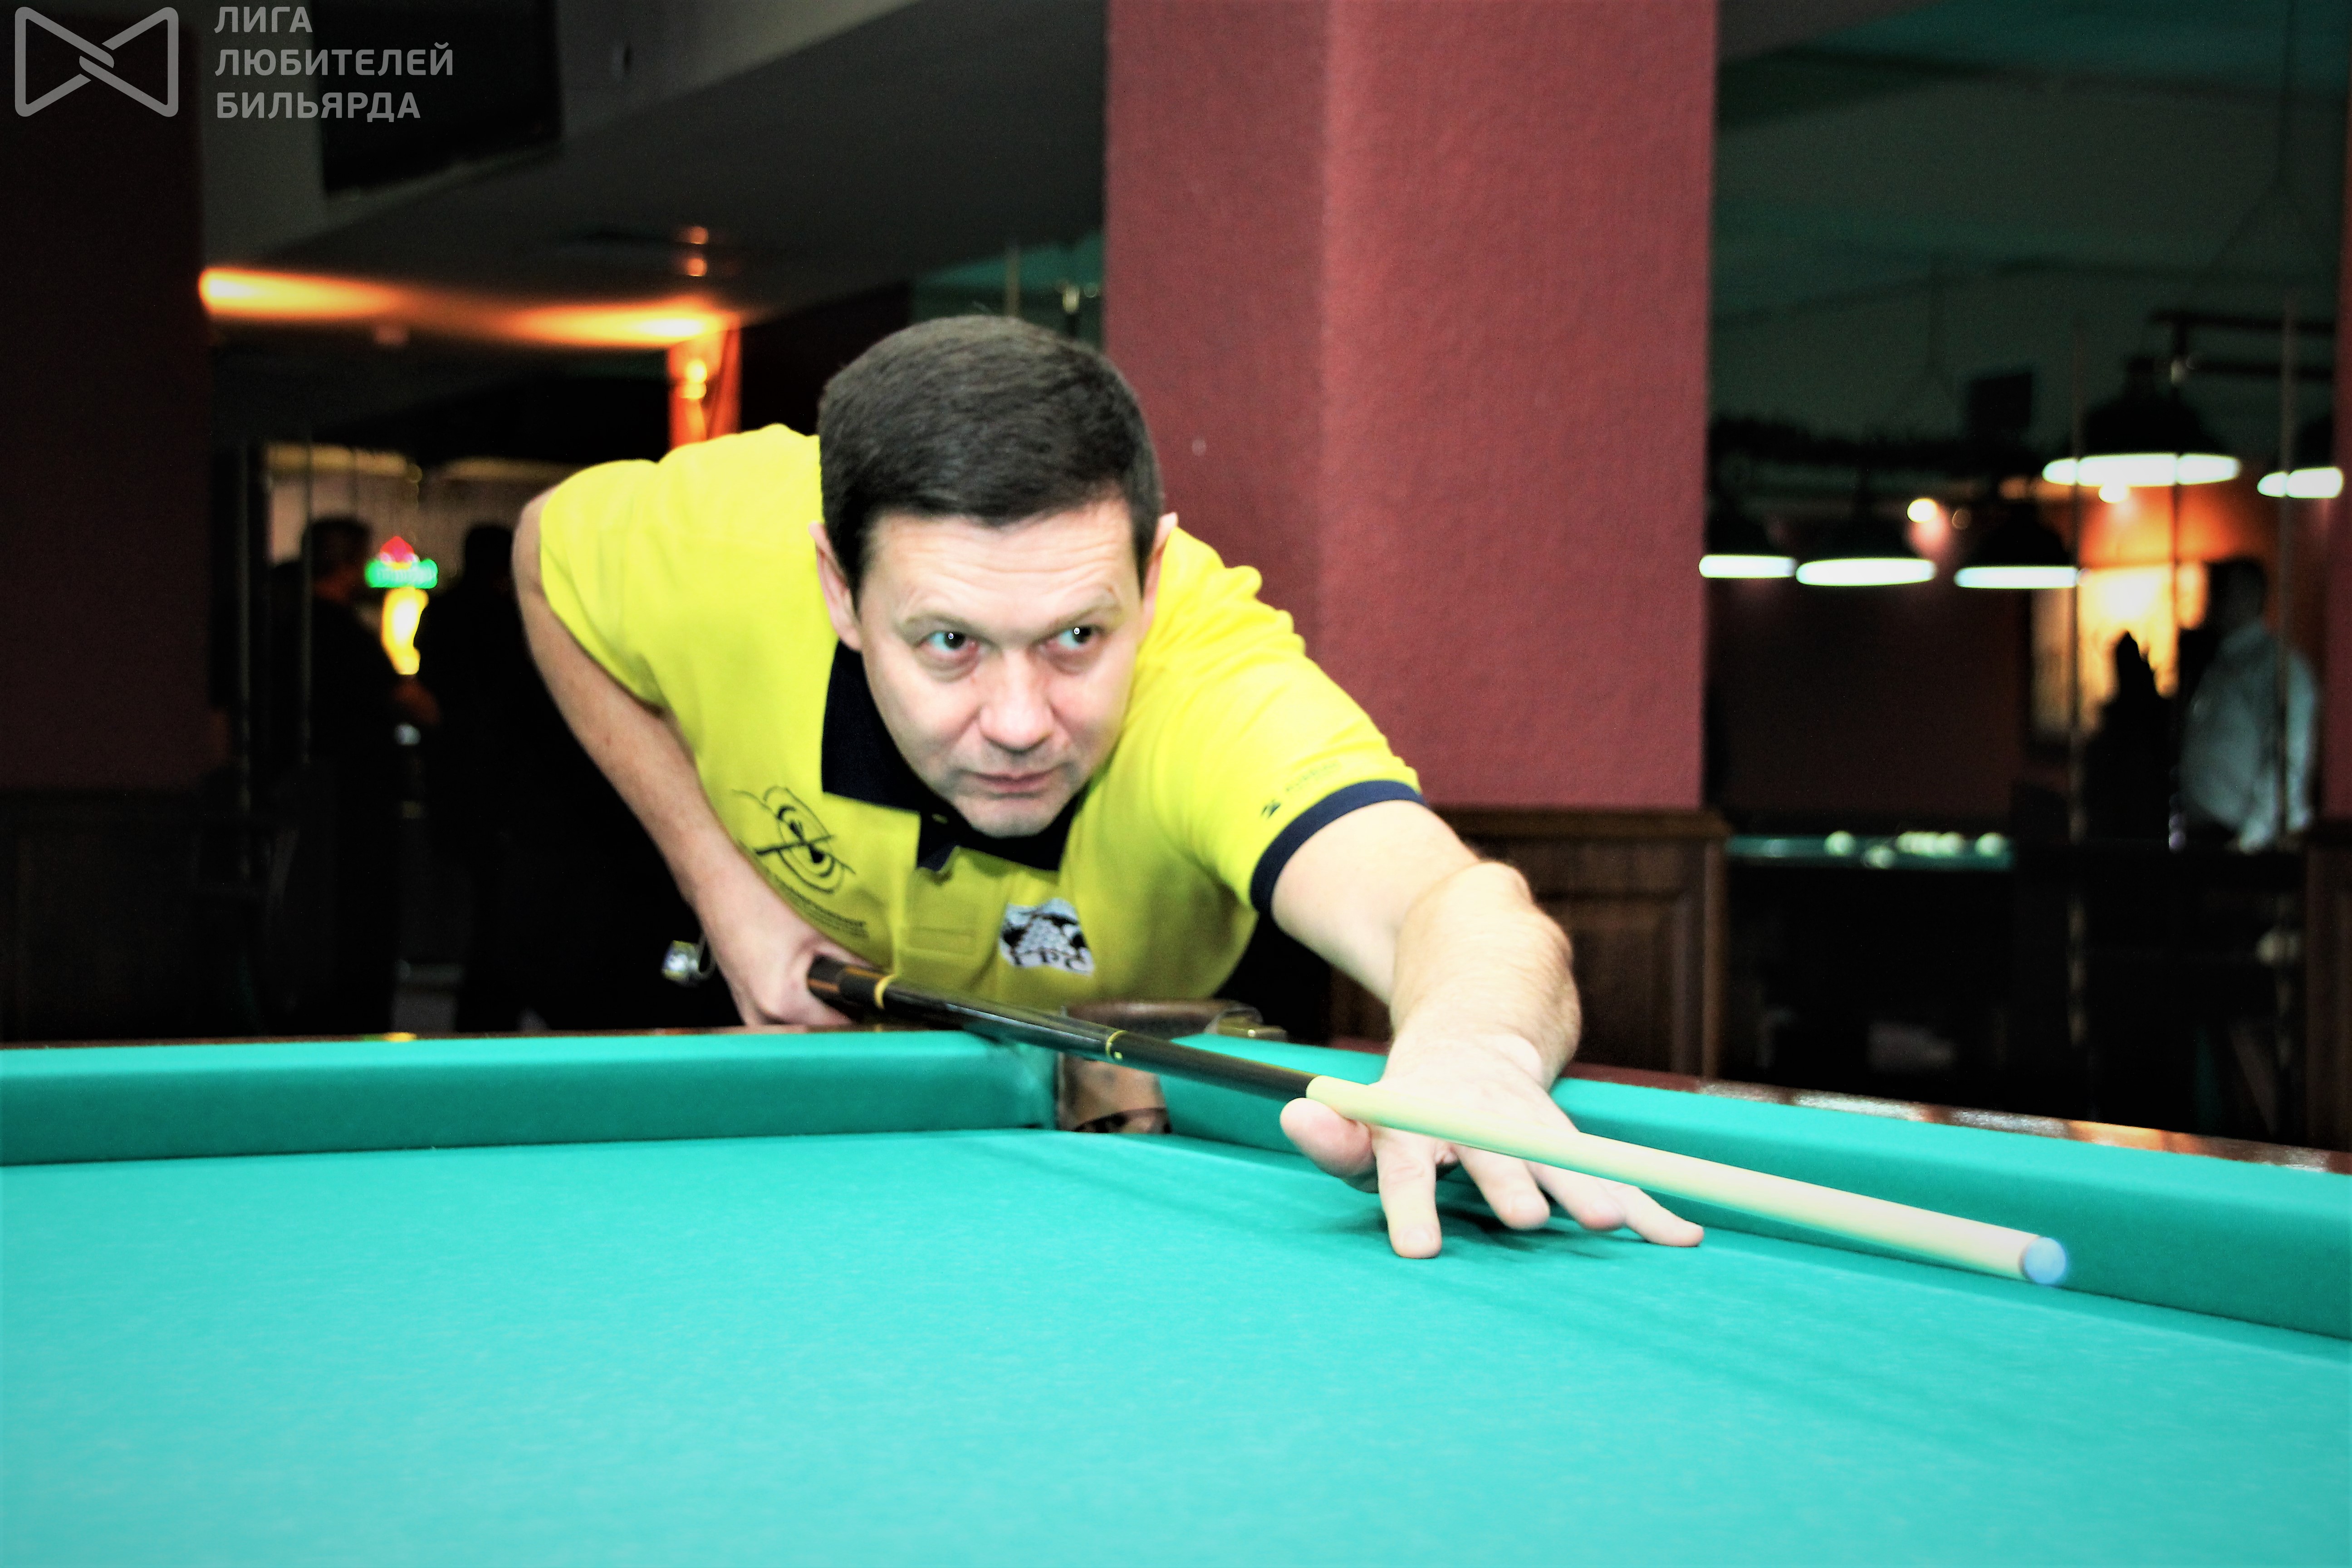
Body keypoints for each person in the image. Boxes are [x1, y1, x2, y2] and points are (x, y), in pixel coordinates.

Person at [516, 317, 1698, 1259]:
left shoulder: (1210, 683)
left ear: (1154, 572)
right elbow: (540, 558)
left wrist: (1476, 1046)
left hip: (1133, 1144)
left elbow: (1449, 904)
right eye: (949, 643)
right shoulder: (720, 550)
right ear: (838, 588)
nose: (1021, 722)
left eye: (1078, 636)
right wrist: (722, 883)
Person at [267, 515, 438, 1032]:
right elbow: (417, 706)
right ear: (346, 564)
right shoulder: (345, 634)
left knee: (313, 908)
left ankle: (318, 1013)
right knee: (357, 912)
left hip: (303, 793)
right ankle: (353, 1014)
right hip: (354, 801)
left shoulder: (286, 629)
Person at [414, 524, 528, 1030]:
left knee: (481, 901)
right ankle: (490, 1005)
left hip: (455, 774)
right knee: (498, 904)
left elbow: (430, 685)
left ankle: (480, 1006)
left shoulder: (441, 611)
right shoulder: (505, 616)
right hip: (498, 781)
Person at [2179, 558, 2316, 852]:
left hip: (2251, 841)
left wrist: (2251, 839)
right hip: (2212, 836)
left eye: (2221, 593)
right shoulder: (2220, 662)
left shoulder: (2275, 666)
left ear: (2247, 595)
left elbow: (2288, 759)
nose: (2211, 603)